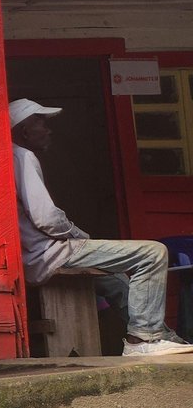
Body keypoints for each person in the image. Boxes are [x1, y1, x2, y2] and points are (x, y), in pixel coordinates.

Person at [10, 98, 193, 356]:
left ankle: (160, 336)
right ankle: (142, 340)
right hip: (49, 254)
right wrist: (77, 234)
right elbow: (47, 218)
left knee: (116, 279)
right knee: (153, 253)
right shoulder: (23, 156)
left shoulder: (9, 156)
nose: (48, 130)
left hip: (33, 258)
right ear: (24, 130)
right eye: (41, 122)